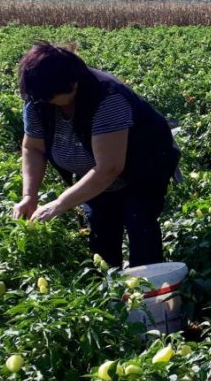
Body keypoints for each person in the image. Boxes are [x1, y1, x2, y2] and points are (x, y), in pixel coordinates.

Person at [13, 43, 180, 268]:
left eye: (53, 97)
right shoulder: (39, 98)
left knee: (139, 222)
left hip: (145, 164)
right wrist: (29, 196)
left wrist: (58, 204)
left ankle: (149, 283)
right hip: (97, 173)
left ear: (74, 83)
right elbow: (33, 148)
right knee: (101, 228)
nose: (47, 102)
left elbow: (108, 168)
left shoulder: (107, 98)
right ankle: (108, 282)